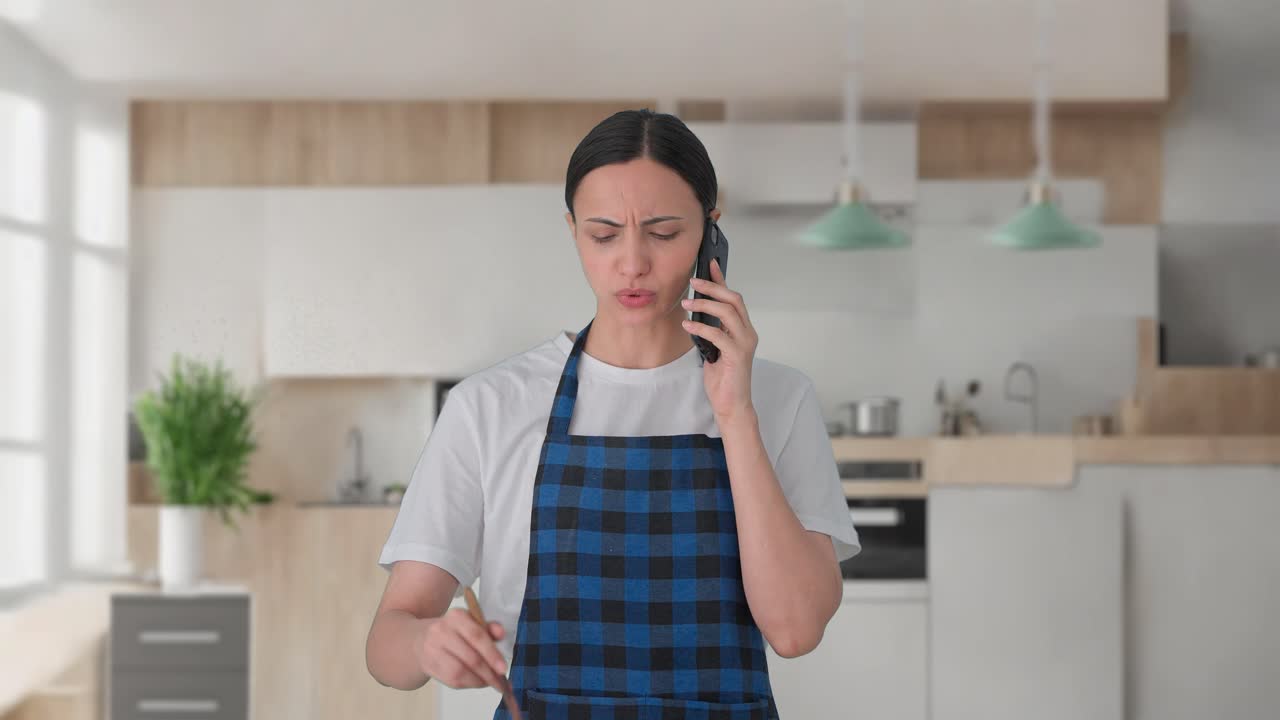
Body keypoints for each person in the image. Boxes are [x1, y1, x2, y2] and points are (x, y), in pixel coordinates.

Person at [366, 108, 860, 719]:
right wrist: (426, 641)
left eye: (663, 232)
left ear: (710, 232)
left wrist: (735, 416)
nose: (631, 263)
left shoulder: (780, 399)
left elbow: (795, 630)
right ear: (573, 230)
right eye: (603, 235)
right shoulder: (489, 405)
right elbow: (388, 643)